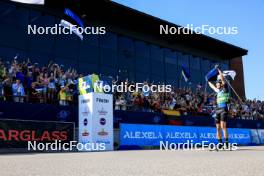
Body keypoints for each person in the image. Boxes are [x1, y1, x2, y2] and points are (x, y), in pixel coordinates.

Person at [208, 67, 230, 149]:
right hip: (217, 110)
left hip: (224, 109)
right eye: (216, 84)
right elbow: (211, 86)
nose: (216, 85)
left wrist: (219, 71)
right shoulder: (217, 91)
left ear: (221, 84)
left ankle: (226, 142)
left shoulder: (225, 89)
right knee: (217, 128)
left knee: (223, 126)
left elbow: (223, 79)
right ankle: (220, 143)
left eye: (218, 83)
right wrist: (207, 80)